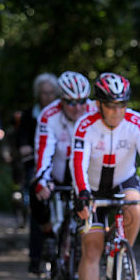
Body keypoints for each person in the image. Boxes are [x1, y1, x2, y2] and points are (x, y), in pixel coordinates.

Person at [71, 72, 140, 280]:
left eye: (122, 105)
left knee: (134, 204)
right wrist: (83, 194)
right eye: (111, 105)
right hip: (92, 187)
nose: (118, 111)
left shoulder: (136, 122)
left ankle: (124, 255)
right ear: (99, 104)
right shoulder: (85, 125)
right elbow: (78, 164)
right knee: (93, 246)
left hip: (123, 181)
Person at [31, 71, 95, 267]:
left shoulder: (94, 110)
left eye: (81, 101)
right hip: (58, 170)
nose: (77, 107)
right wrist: (43, 180)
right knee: (36, 190)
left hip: (86, 172)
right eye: (71, 102)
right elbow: (43, 151)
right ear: (61, 100)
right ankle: (49, 233)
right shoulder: (48, 115)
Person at [16, 73, 60, 274]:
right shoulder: (30, 114)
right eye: (44, 93)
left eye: (51, 93)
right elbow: (21, 140)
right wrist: (27, 149)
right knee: (36, 199)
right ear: (38, 94)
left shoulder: (62, 114)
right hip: (36, 163)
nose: (48, 97)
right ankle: (35, 258)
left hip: (59, 163)